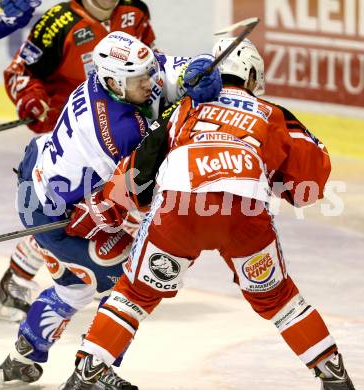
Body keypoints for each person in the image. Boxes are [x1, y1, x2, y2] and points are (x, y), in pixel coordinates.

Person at [61, 38, 355, 390]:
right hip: (244, 211)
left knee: (135, 294)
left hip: (178, 207)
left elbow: (143, 163)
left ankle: (89, 368)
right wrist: (275, 179)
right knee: (278, 299)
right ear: (250, 76)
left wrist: (104, 207)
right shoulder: (272, 113)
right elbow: (307, 182)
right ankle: (332, 373)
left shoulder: (185, 107)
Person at [0, 31, 222, 389]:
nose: (150, 82)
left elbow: (166, 71)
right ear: (115, 82)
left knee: (75, 287)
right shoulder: (120, 130)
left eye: (147, 74)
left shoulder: (112, 80)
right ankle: (95, 369)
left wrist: (195, 69)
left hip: (39, 180)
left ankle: (23, 358)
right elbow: (145, 183)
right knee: (133, 282)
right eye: (140, 79)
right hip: (56, 216)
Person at [0, 0, 156, 323]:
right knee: (63, 209)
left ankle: (21, 279)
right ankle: (20, 279)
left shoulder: (135, 11)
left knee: (88, 210)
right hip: (73, 133)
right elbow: (20, 72)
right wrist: (30, 97)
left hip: (123, 126)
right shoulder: (58, 22)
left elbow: (153, 62)